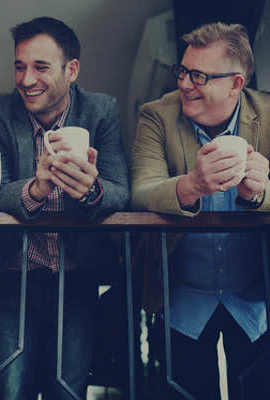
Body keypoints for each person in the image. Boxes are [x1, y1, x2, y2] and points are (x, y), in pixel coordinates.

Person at [0, 17, 129, 399]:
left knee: (67, 391)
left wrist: (91, 190)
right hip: (8, 276)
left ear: (72, 70)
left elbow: (122, 192)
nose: (26, 78)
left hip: (77, 278)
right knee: (9, 391)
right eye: (20, 66)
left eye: (40, 67)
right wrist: (36, 187)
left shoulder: (101, 110)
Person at [131, 22, 270, 399]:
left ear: (236, 84)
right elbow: (141, 190)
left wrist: (259, 194)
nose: (185, 83)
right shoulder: (156, 115)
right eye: (183, 71)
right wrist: (191, 185)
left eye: (199, 75)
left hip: (257, 302)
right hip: (181, 302)